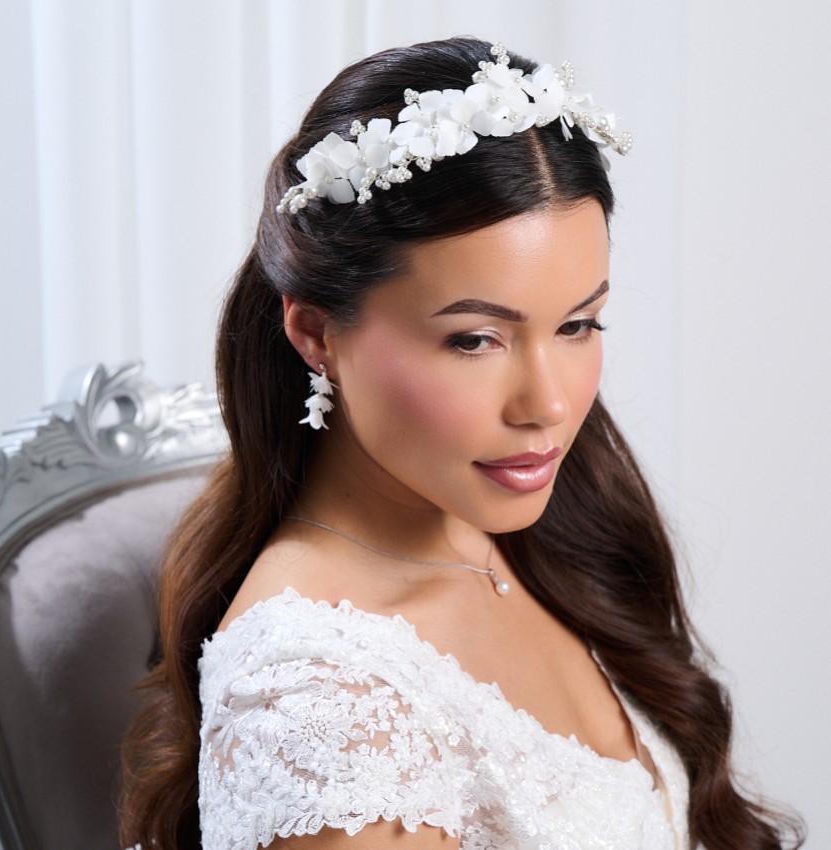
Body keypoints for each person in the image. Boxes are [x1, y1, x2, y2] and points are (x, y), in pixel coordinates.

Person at [119, 37, 802, 850]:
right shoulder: (320, 709)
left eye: (579, 324)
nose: (549, 404)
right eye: (476, 340)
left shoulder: (534, 523)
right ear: (315, 333)